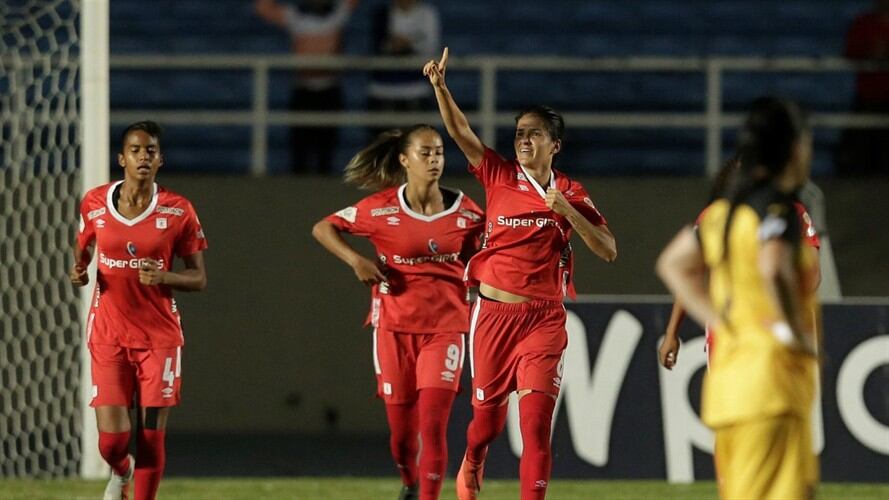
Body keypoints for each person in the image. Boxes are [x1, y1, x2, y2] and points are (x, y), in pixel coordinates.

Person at [423, 48, 617, 500]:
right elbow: (462, 133)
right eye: (519, 133)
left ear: (556, 145)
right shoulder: (498, 174)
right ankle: (473, 460)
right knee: (486, 425)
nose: (524, 140)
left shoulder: (570, 191)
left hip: (544, 320)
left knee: (535, 427)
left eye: (535, 134)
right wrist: (440, 88)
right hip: (493, 316)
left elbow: (608, 249)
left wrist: (567, 210)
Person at [656, 97, 820, 499]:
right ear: (793, 148)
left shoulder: (719, 215)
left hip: (729, 388)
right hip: (772, 383)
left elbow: (673, 264)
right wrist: (789, 331)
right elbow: (774, 268)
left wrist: (721, 319)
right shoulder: (780, 211)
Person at [311, 124, 484, 500]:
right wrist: (356, 261)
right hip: (393, 327)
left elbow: (484, 261)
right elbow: (323, 228)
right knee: (402, 437)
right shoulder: (380, 208)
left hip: (446, 329)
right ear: (405, 160)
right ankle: (409, 480)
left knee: (433, 425)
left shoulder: (468, 214)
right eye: (425, 153)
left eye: (438, 152)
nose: (434, 160)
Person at [69, 121, 208, 500]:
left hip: (158, 338)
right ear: (122, 158)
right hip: (109, 335)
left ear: (160, 160)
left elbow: (198, 278)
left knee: (149, 436)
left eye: (150, 151)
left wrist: (166, 276)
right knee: (112, 443)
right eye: (135, 150)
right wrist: (79, 272)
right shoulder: (95, 202)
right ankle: (121, 470)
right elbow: (82, 248)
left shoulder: (179, 210)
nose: (143, 156)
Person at [658, 156, 821, 370]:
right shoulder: (716, 218)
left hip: (769, 336)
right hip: (738, 336)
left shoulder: (792, 214)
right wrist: (672, 332)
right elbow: (687, 270)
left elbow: (813, 276)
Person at [255, 0, 358, 173]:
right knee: (299, 153)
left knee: (326, 153)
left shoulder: (337, 15)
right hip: (303, 90)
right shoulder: (295, 17)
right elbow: (262, 8)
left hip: (329, 90)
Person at [368, 0, 440, 136]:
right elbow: (378, 46)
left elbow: (431, 50)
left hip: (416, 91)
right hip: (382, 92)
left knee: (416, 148)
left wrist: (408, 45)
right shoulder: (382, 15)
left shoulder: (427, 14)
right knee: (383, 151)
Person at [835, 0, 889, 176]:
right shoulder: (864, 23)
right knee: (861, 148)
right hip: (868, 96)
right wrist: (870, 54)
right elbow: (850, 53)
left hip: (876, 96)